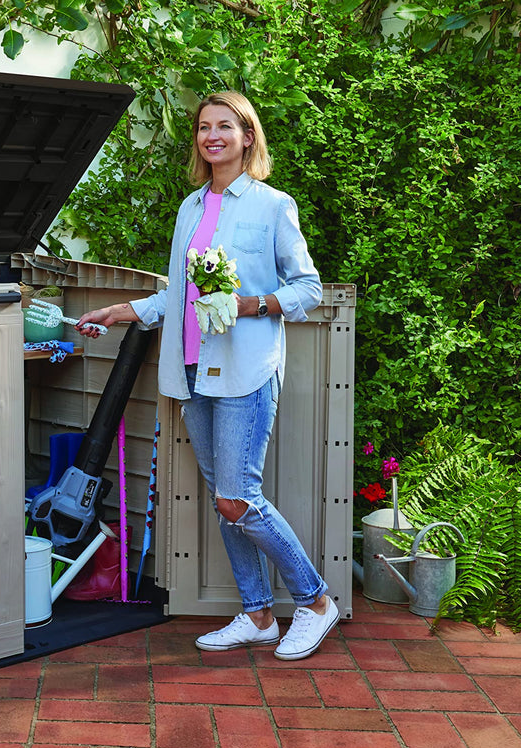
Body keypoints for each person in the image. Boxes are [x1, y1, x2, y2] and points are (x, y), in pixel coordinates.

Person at [75, 91, 338, 660]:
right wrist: (121, 311)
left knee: (237, 499)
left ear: (247, 137)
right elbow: (178, 294)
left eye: (224, 126)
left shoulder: (273, 206)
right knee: (226, 498)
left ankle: (315, 600)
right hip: (193, 370)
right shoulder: (190, 209)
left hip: (245, 370)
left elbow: (308, 289)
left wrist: (252, 305)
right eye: (203, 127)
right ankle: (258, 614)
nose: (212, 136)